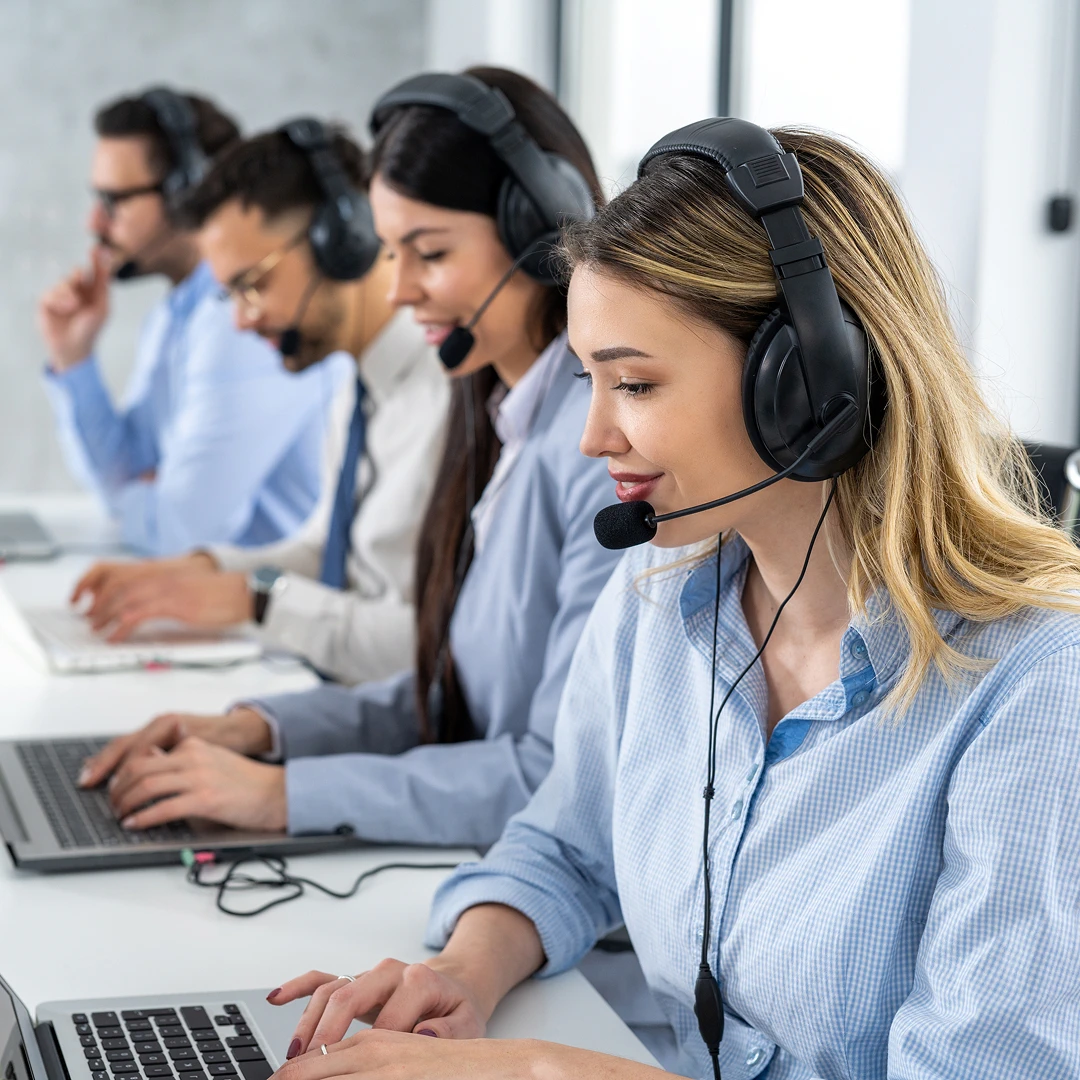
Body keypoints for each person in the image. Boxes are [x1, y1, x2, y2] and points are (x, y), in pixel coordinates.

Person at [260, 121, 1080, 1079]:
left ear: (809, 383)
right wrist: (464, 971)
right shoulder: (663, 596)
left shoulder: (1036, 688)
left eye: (636, 383)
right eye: (589, 381)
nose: (593, 436)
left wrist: (541, 1071)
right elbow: (566, 844)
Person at [79, 69, 621, 854]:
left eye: (428, 253)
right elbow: (450, 692)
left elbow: (551, 774)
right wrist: (261, 731)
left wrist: (284, 791)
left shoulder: (595, 450)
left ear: (540, 229)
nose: (398, 290)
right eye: (392, 251)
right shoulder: (503, 419)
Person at [69, 120, 448, 686]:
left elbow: (443, 647)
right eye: (230, 294)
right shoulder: (359, 384)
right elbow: (327, 553)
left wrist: (256, 601)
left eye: (253, 284)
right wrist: (200, 570)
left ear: (342, 241)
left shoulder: (447, 398)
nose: (242, 321)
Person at [38, 87, 330, 555]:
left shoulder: (241, 324)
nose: (94, 222)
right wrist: (73, 358)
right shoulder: (176, 315)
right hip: (214, 605)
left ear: (184, 193)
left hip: (271, 611)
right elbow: (123, 469)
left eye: (115, 201)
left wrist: (152, 496)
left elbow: (181, 533)